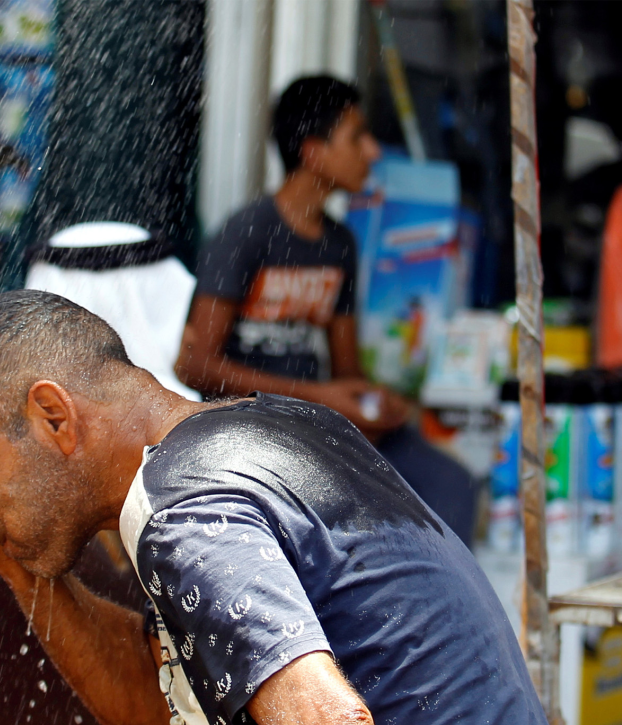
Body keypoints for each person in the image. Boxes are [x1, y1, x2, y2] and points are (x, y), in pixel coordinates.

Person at [0, 290, 575, 725]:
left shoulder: (183, 510)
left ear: (53, 416)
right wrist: (6, 556)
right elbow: (154, 718)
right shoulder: (277, 432)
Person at [176, 75, 477, 543]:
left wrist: (376, 403)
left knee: (449, 486)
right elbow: (194, 366)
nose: (372, 151)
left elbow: (346, 374)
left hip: (318, 427)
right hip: (250, 435)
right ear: (314, 153)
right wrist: (319, 398)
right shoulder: (246, 234)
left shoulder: (339, 245)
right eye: (357, 137)